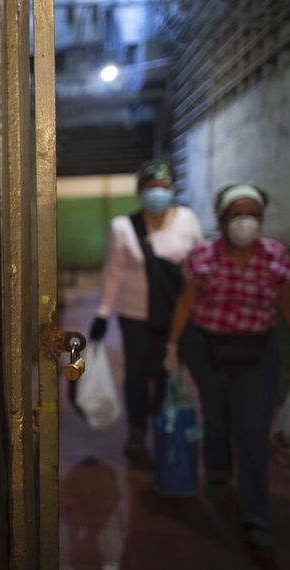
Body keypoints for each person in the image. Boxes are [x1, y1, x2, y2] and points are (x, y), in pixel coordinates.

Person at [163, 183, 290, 548]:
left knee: (251, 428)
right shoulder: (202, 257)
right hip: (208, 349)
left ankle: (256, 513)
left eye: (252, 214)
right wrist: (172, 347)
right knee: (215, 415)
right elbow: (186, 303)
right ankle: (217, 469)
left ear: (261, 219)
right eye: (237, 214)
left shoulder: (276, 257)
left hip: (257, 353)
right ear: (222, 219)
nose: (245, 221)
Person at [88, 160, 203, 459]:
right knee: (137, 376)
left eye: (164, 187)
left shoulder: (188, 221)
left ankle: (163, 425)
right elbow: (113, 272)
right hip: (134, 316)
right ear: (140, 191)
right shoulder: (123, 227)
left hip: (176, 316)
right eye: (151, 187)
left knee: (169, 373)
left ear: (173, 189)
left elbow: (201, 267)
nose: (158, 193)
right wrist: (103, 313)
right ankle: (137, 431)